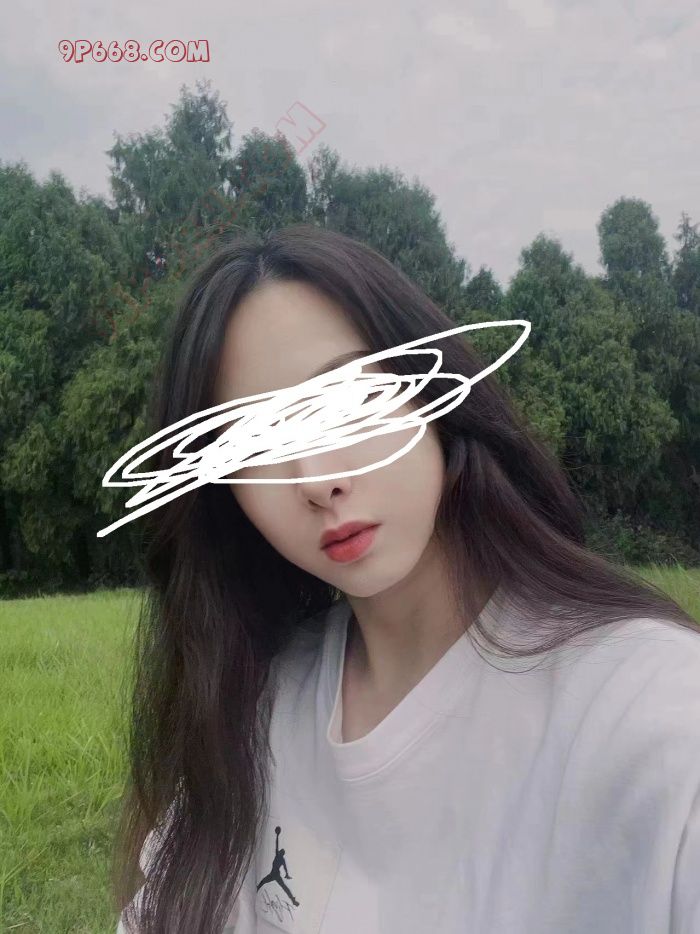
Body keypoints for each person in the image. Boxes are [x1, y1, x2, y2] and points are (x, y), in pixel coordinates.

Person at [113, 223, 700, 933]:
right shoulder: (254, 706)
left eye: (344, 402)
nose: (318, 480)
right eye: (255, 442)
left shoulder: (651, 709)